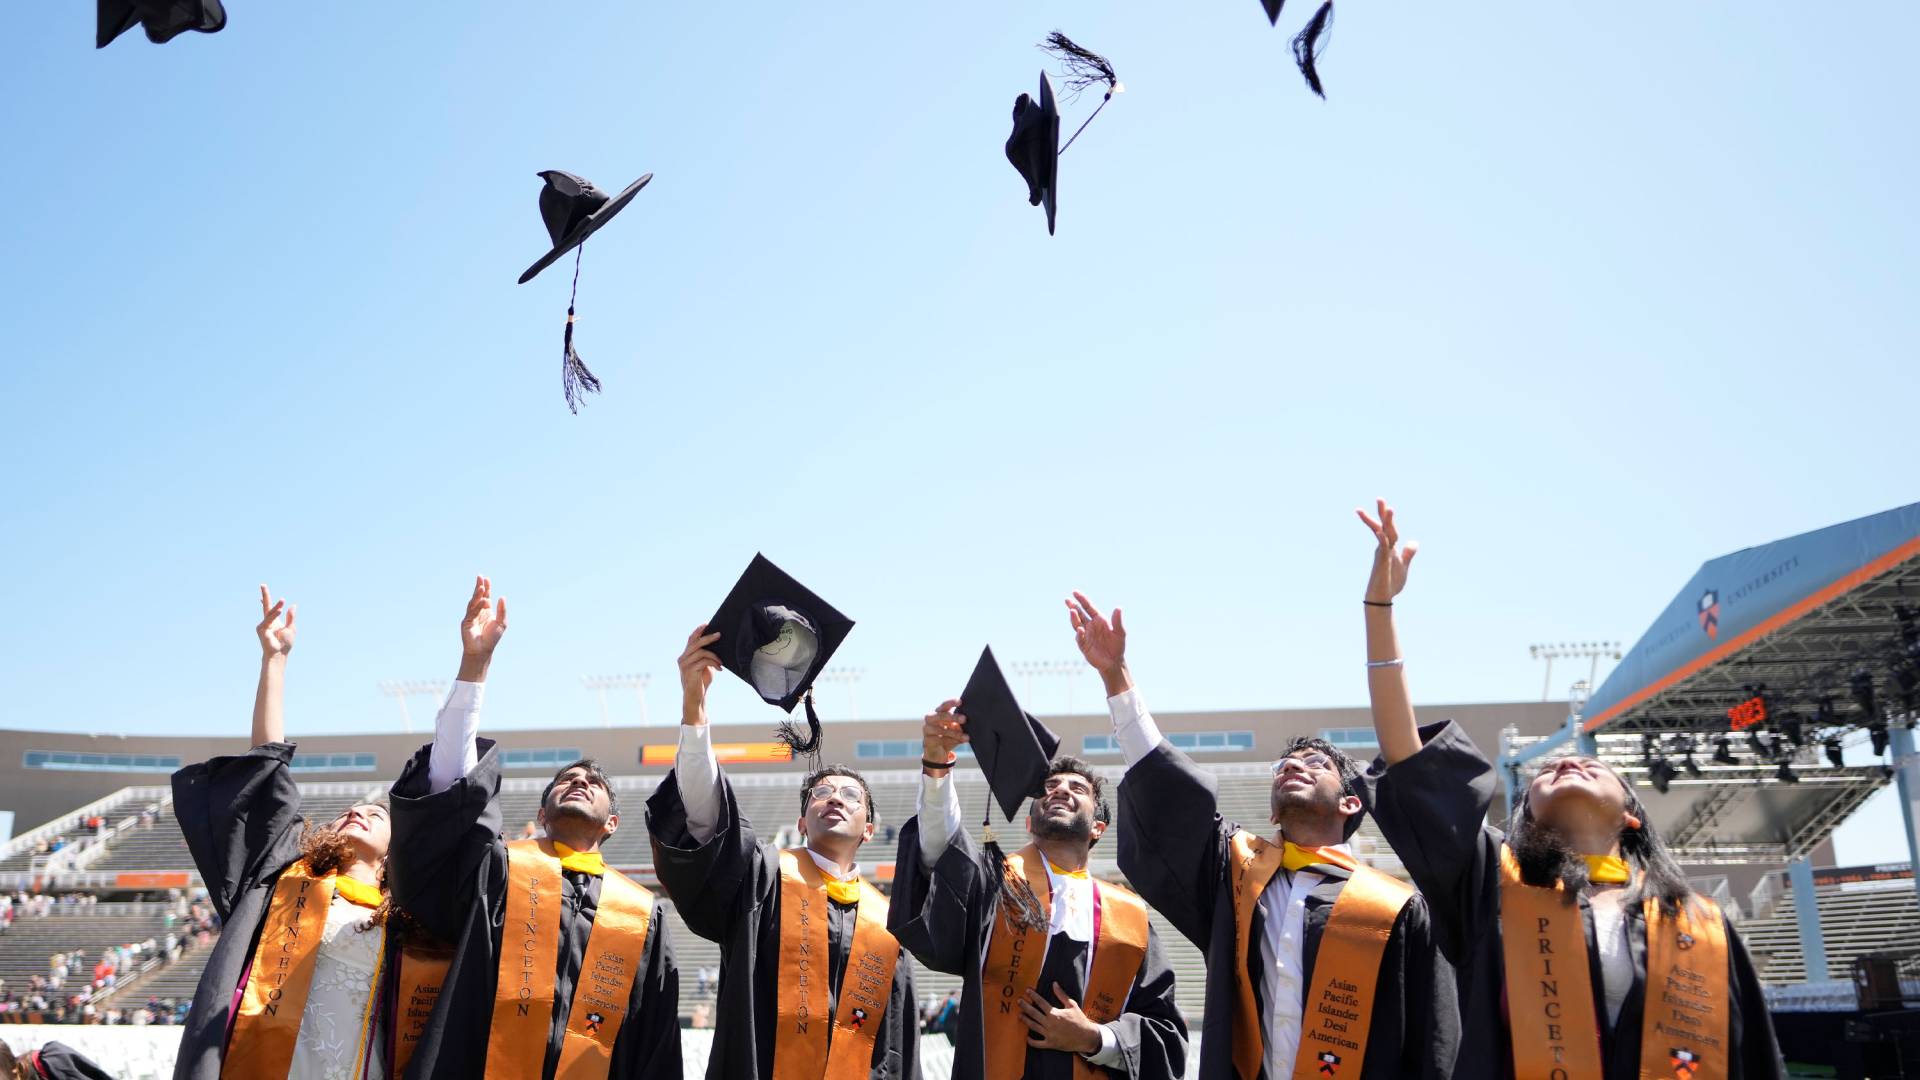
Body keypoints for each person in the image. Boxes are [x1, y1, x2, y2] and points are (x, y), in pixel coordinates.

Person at [1352, 500, 1784, 1079]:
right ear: (1527, 814)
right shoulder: (1492, 887)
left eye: (1590, 767)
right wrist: (1380, 609)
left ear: (1631, 816)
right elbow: (1410, 760)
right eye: (1545, 773)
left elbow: (1753, 1059)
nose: (1565, 765)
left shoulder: (1699, 924)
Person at [1063, 590, 1458, 1079]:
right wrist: (1115, 676)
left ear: (1351, 802)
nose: (1292, 766)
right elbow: (1171, 796)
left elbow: (1434, 1043)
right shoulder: (1236, 878)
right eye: (1284, 765)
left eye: (1316, 764)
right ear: (1272, 813)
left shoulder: (1396, 909)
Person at [387, 576, 681, 1080]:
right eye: (566, 780)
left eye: (592, 782)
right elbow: (451, 799)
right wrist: (474, 668)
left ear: (612, 822)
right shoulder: (498, 870)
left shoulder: (638, 914)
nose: (579, 781)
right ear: (542, 814)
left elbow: (655, 1040)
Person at [892, 650, 1187, 1080]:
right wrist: (937, 763)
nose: (1061, 790)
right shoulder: (997, 883)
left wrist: (1094, 1038)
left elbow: (1164, 1032)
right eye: (1049, 786)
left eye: (1078, 789)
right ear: (1030, 822)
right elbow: (940, 848)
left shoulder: (1131, 918)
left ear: (1098, 827)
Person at [647, 624, 919, 1080]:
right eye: (821, 792)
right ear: (801, 823)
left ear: (869, 830)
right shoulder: (764, 877)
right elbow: (708, 817)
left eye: (851, 795)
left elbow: (899, 1046)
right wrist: (694, 707)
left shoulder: (887, 923)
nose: (835, 798)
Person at [172, 586, 399, 1080]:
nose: (357, 813)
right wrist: (274, 661)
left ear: (393, 853)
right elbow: (267, 771)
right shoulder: (287, 878)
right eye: (350, 810)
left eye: (375, 814)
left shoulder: (403, 919)